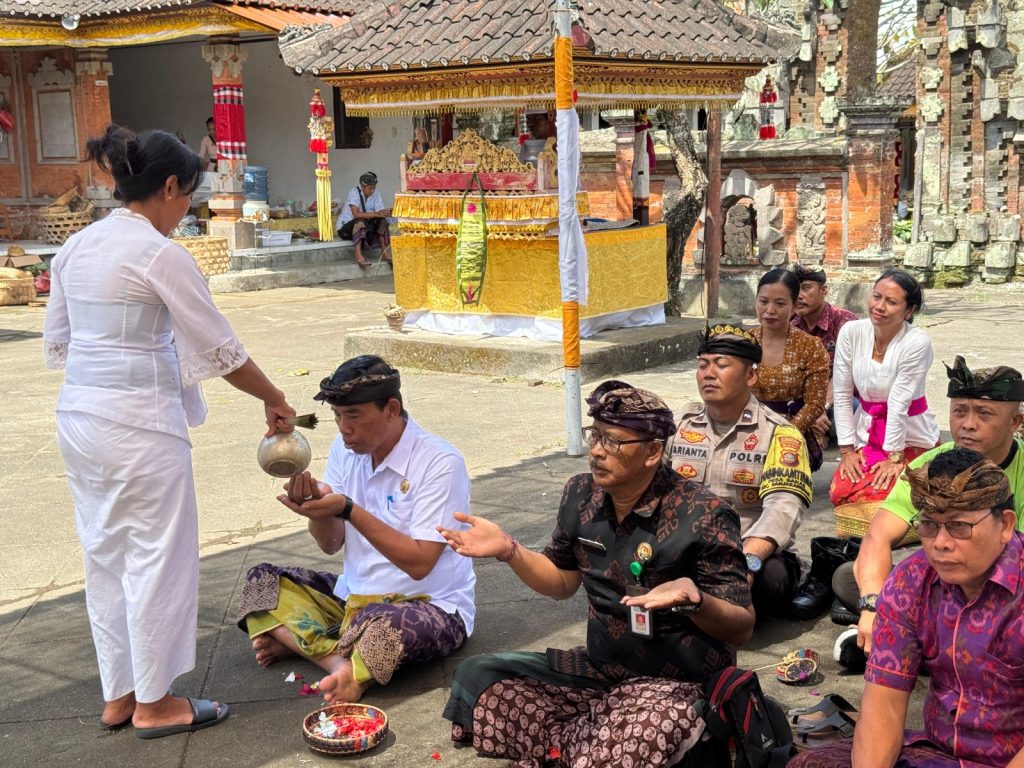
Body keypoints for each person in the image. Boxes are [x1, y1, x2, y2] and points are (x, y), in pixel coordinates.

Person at [42, 124, 296, 739]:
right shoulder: (160, 254)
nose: (186, 211)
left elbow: (62, 340)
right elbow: (222, 349)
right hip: (138, 424)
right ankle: (155, 704)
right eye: (188, 198)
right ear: (170, 186)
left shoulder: (77, 246)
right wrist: (274, 398)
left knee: (105, 553)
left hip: (80, 417)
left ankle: (121, 694)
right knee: (157, 556)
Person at [438, 380, 753, 767]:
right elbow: (561, 581)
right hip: (599, 672)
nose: (597, 451)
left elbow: (742, 627)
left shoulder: (704, 514)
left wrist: (696, 601)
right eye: (595, 436)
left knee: (649, 728)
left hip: (678, 686)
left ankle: (589, 745)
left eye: (613, 442)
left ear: (653, 452)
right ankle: (589, 746)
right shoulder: (580, 494)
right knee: (479, 676)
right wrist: (509, 550)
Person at [237, 355, 475, 705]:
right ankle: (340, 665)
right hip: (354, 599)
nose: (343, 428)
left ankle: (307, 644)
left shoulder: (440, 462)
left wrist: (348, 509)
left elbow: (421, 563)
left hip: (426, 605)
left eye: (353, 415)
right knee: (262, 581)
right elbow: (331, 544)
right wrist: (317, 510)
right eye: (337, 416)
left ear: (391, 409)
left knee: (389, 630)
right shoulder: (344, 450)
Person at [790, 448, 1024, 768]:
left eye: (958, 526)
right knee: (809, 764)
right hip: (939, 754)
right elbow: (884, 706)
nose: (940, 543)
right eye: (929, 525)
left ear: (1006, 525)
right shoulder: (910, 582)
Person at [831, 357, 1024, 665]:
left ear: (1015, 422)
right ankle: (937, 645)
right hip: (946, 582)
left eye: (984, 413)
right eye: (959, 411)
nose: (968, 424)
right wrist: (871, 605)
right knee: (848, 577)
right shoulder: (929, 465)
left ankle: (916, 644)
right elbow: (878, 536)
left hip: (1008, 592)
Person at [668, 325, 812, 619]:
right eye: (702, 365)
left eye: (721, 365)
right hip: (686, 547)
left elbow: (784, 506)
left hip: (750, 551)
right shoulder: (678, 425)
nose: (709, 374)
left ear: (751, 376)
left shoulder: (779, 433)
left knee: (769, 582)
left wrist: (746, 559)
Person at [830, 269, 940, 513]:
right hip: (867, 432)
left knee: (887, 495)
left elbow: (899, 402)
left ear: (909, 310)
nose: (879, 306)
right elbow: (842, 393)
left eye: (891, 302)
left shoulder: (917, 342)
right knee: (841, 492)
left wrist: (894, 458)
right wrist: (847, 450)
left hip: (910, 435)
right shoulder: (851, 332)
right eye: (876, 296)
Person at [751, 267, 831, 472]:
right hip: (748, 427)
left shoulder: (810, 346)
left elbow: (815, 404)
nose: (770, 310)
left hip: (793, 430)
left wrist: (785, 434)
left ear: (795, 306)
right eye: (763, 301)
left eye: (780, 304)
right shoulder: (743, 342)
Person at [789, 263, 858, 446]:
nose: (799, 296)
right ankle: (815, 433)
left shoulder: (845, 322)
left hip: (836, 398)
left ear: (824, 290)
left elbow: (845, 373)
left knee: (852, 408)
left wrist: (819, 407)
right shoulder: (789, 322)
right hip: (801, 399)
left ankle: (814, 432)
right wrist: (809, 410)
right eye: (795, 289)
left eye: (806, 288)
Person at [337, 171, 392, 269]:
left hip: (366, 228)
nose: (372, 190)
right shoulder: (354, 192)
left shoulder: (376, 192)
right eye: (370, 188)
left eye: (374, 188)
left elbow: (379, 212)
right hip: (346, 229)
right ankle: (358, 255)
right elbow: (355, 214)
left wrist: (387, 212)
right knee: (360, 221)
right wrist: (375, 214)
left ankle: (384, 252)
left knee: (383, 220)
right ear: (363, 186)